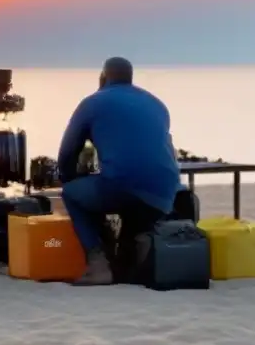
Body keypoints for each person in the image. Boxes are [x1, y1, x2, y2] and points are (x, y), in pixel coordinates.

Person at [57, 57, 182, 286]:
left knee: (72, 194)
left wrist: (69, 179)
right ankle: (141, 252)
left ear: (103, 77)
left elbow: (66, 154)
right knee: (131, 223)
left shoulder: (93, 103)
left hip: (121, 185)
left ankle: (97, 264)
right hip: (165, 190)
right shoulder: (157, 104)